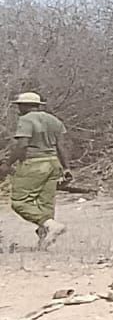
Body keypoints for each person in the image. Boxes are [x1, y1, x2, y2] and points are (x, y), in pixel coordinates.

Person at [0, 92, 70, 249]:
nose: (18, 109)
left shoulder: (26, 120)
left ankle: (51, 225)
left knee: (19, 202)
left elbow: (22, 145)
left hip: (34, 163)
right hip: (53, 163)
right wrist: (66, 167)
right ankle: (45, 241)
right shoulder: (54, 120)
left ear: (25, 106)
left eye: (19, 106)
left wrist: (8, 163)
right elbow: (61, 146)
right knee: (46, 204)